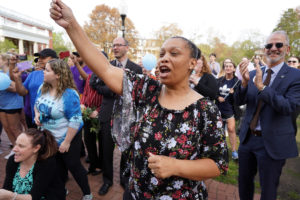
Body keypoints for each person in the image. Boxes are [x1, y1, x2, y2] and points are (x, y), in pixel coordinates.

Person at [50, 2, 228, 200]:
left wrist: (176, 166)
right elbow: (106, 69)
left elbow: (217, 164)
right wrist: (71, 25)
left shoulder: (206, 109)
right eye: (161, 54)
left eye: (174, 53)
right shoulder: (146, 89)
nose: (163, 59)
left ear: (192, 63)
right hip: (136, 194)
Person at [235, 30, 300, 199]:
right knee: (244, 183)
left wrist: (262, 88)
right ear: (264, 49)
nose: (273, 48)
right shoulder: (252, 73)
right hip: (248, 139)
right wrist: (243, 84)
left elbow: (289, 107)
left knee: (268, 189)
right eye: (268, 45)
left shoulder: (296, 76)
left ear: (287, 49)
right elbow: (239, 101)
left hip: (272, 142)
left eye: (278, 45)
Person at [34, 59, 93, 200]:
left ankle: (87, 193)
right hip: (49, 138)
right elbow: (37, 104)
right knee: (55, 165)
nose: (43, 71)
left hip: (68, 137)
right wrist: (37, 115)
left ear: (58, 75)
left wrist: (66, 142)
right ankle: (61, 189)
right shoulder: (43, 87)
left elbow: (76, 119)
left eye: (47, 70)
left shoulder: (69, 94)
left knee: (73, 165)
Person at [94, 37, 142, 195]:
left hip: (127, 117)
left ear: (127, 48)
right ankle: (107, 180)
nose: (115, 48)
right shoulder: (107, 66)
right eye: (113, 45)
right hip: (108, 113)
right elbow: (96, 84)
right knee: (106, 149)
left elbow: (138, 91)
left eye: (118, 45)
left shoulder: (136, 68)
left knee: (126, 150)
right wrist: (113, 89)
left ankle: (124, 178)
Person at [1, 128, 65, 200]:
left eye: (21, 146)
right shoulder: (13, 160)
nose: (14, 149)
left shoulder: (46, 164)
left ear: (36, 148)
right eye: (16, 144)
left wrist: (11, 196)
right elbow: (7, 188)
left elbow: (34, 197)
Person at [12, 48, 58, 128]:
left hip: (54, 120)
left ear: (53, 59)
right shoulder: (33, 74)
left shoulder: (61, 75)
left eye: (43, 58)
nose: (39, 60)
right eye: (39, 58)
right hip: (33, 117)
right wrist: (17, 79)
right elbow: (22, 92)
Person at [0, 53, 24, 159]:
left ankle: (23, 150)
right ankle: (15, 149)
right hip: (2, 104)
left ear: (5, 61)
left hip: (13, 104)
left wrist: (5, 87)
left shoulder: (13, 72)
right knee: (7, 128)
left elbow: (16, 89)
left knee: (15, 128)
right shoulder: (0, 73)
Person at [216, 59, 240, 160]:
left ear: (234, 68)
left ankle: (234, 151)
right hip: (219, 109)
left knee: (231, 129)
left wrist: (234, 93)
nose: (228, 68)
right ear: (224, 68)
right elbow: (213, 92)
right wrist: (218, 97)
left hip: (230, 109)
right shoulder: (219, 80)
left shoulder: (237, 82)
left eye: (230, 66)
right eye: (226, 66)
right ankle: (221, 150)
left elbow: (240, 98)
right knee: (219, 131)